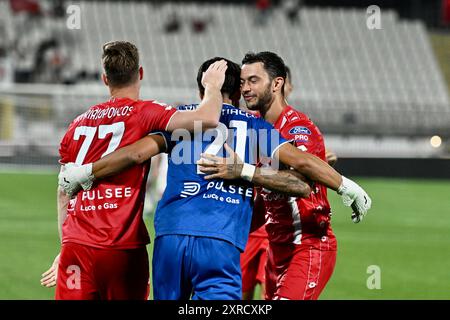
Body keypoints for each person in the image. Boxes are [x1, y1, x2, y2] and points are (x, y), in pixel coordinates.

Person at [58, 58, 371, 300]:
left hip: (171, 239)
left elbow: (134, 154)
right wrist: (346, 185)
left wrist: (86, 172)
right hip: (219, 242)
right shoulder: (256, 127)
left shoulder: (179, 119)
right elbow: (303, 162)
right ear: (237, 93)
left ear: (201, 90)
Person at [39, 41, 228, 300]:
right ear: (140, 73)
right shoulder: (146, 112)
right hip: (121, 246)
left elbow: (64, 192)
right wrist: (213, 86)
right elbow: (208, 118)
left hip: (76, 246)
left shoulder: (76, 124)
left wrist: (65, 247)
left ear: (105, 79)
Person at [200, 51, 371, 300]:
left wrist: (244, 171)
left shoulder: (298, 127)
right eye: (242, 82)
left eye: (254, 80)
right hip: (276, 248)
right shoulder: (254, 126)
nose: (246, 89)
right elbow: (264, 200)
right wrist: (226, 234)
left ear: (277, 83)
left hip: (308, 245)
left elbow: (300, 185)